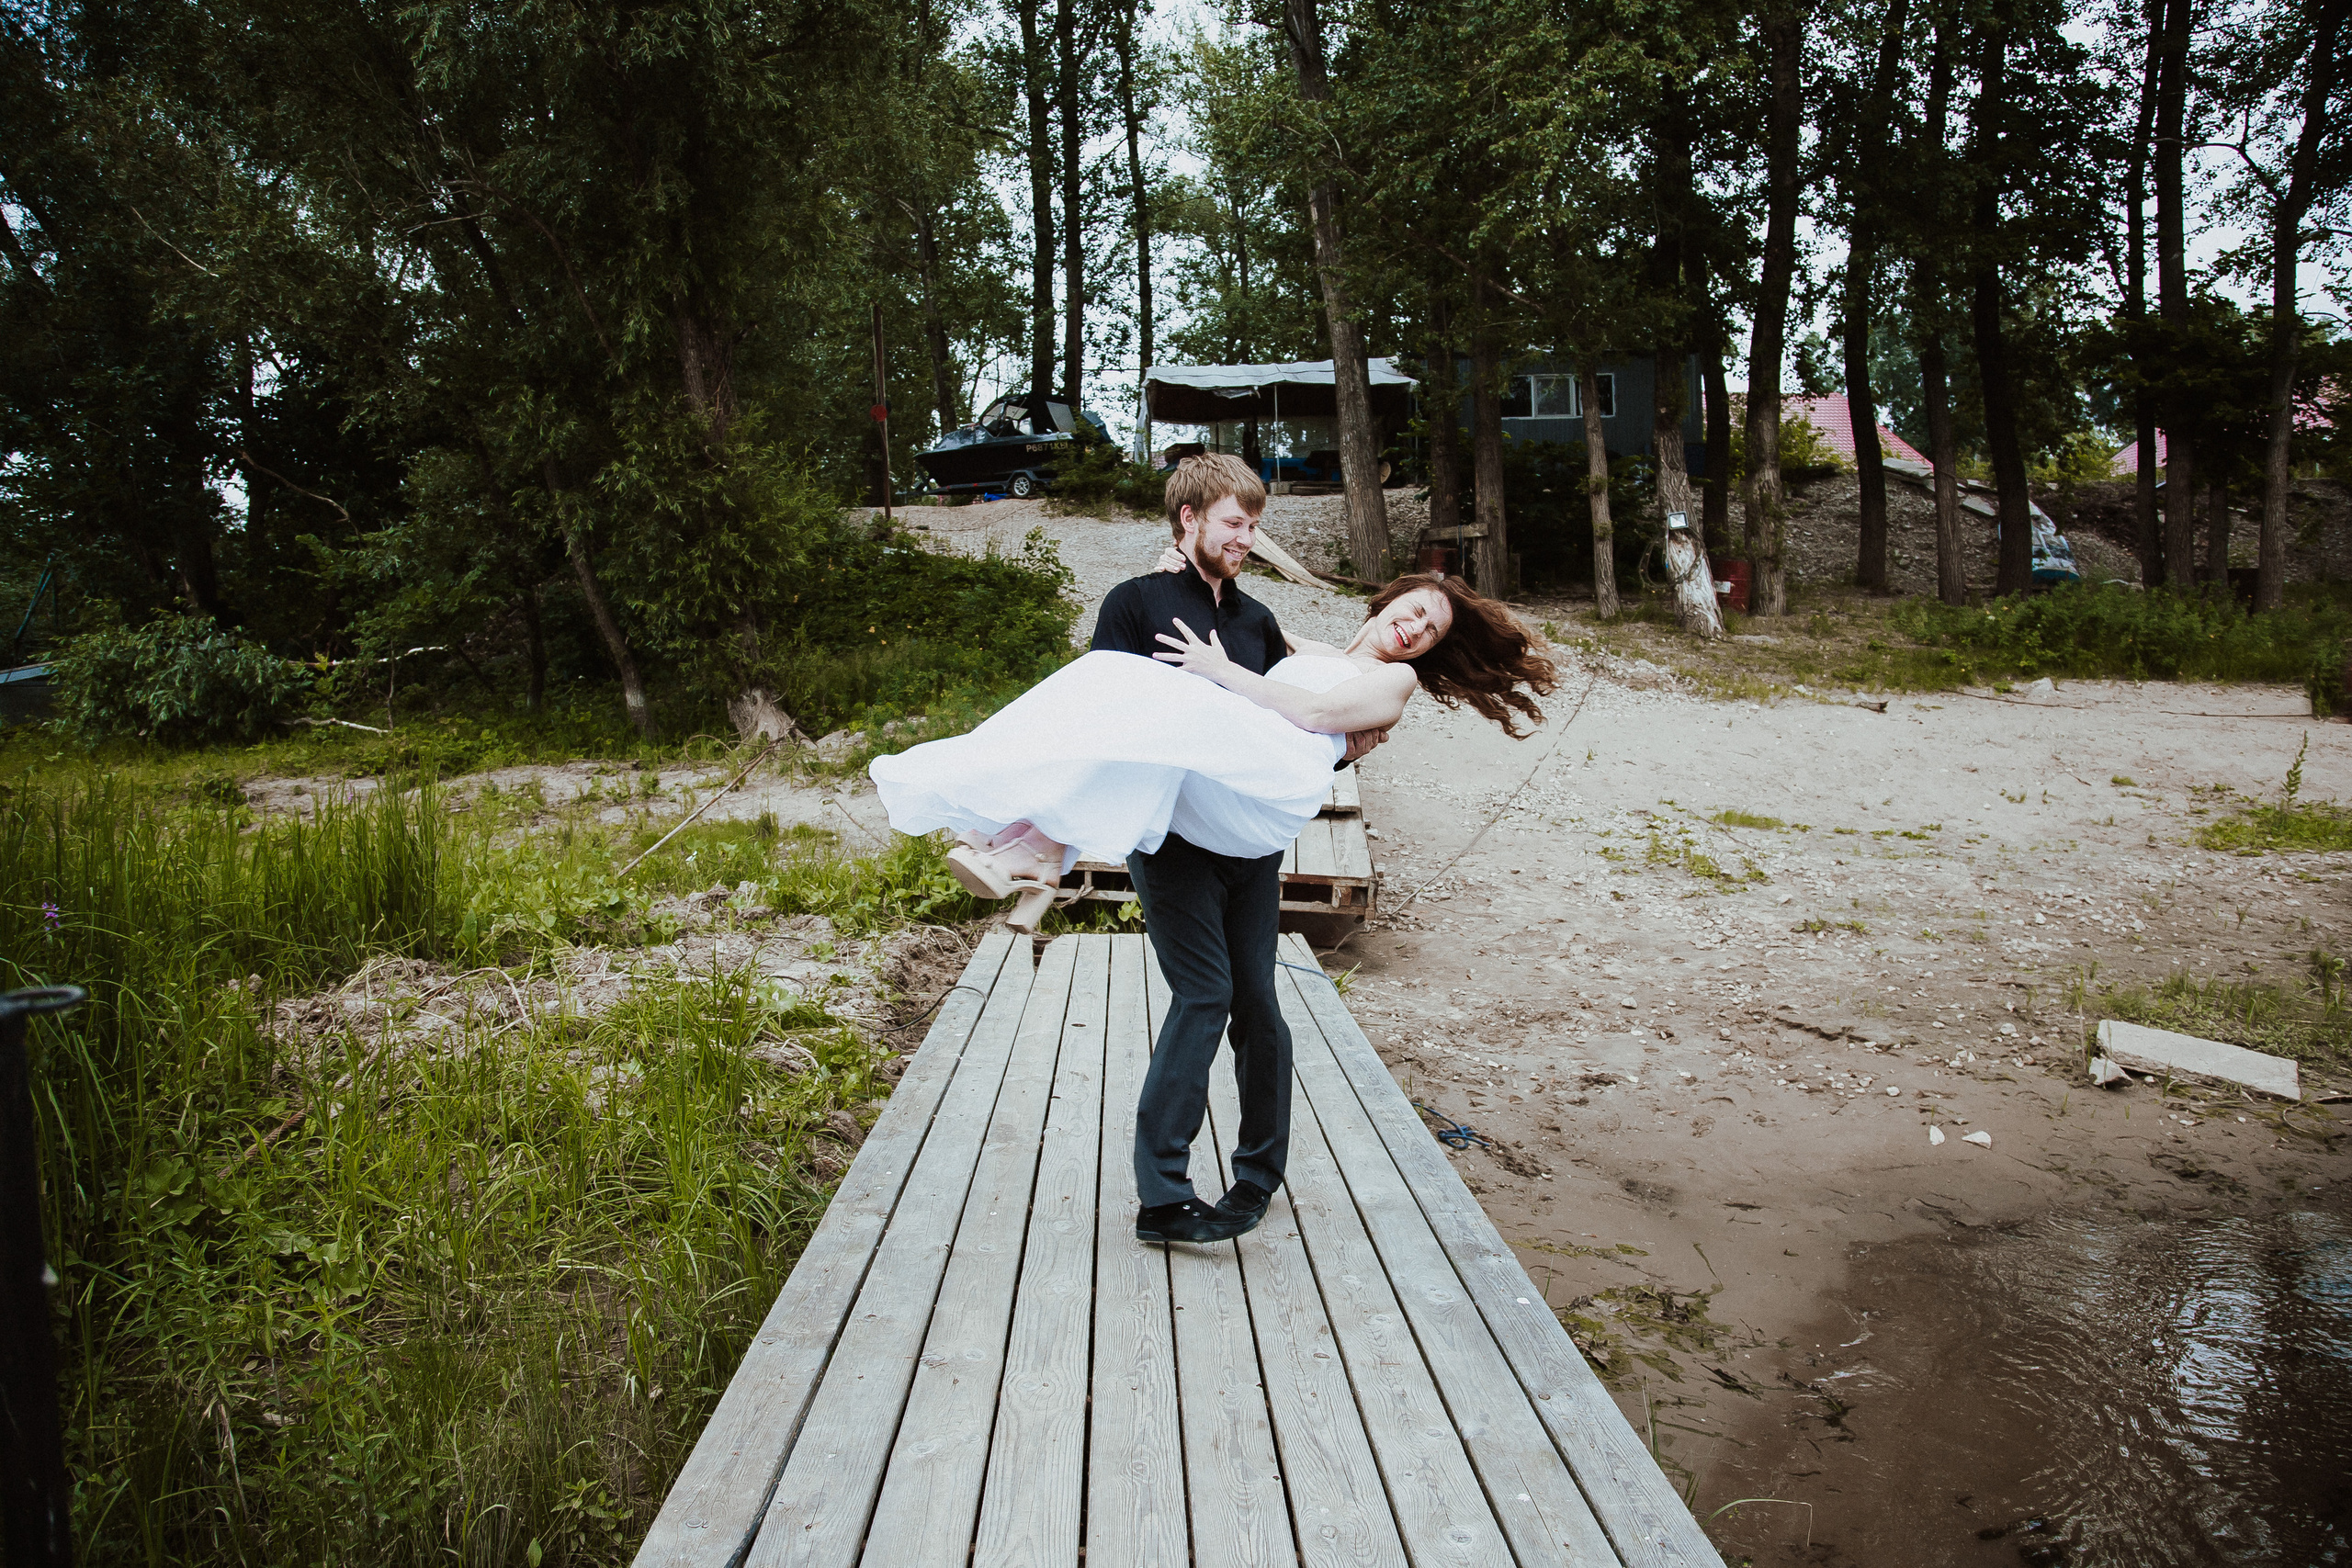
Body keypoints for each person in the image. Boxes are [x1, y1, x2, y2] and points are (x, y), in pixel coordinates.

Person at [868, 453, 1555, 1246]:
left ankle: (1034, 848)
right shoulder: (1265, 628)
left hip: (1255, 809)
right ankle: (1163, 1191)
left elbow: (1308, 704)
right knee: (1210, 984)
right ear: (1387, 600)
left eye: (1429, 631)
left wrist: (1218, 668)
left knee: (1252, 993)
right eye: (1412, 611)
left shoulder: (1380, 682)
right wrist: (1194, 612)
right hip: (1185, 823)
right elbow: (1273, 651)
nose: (1413, 629)